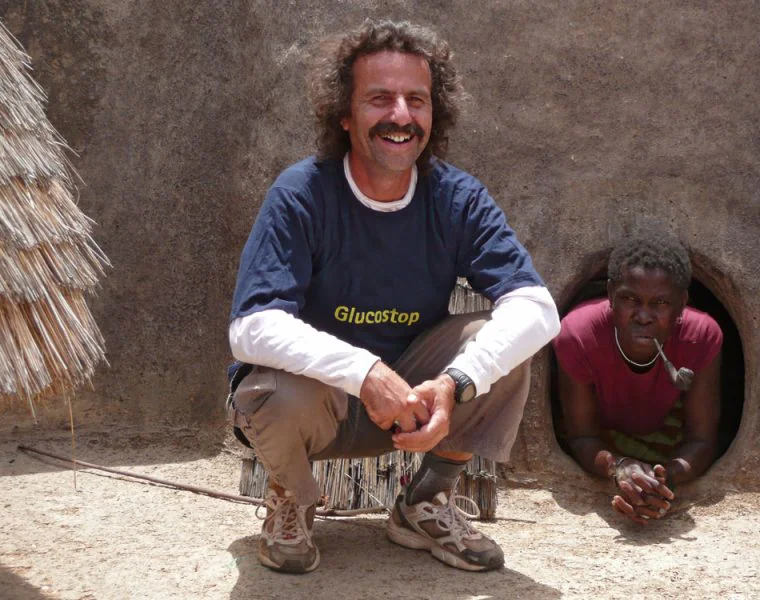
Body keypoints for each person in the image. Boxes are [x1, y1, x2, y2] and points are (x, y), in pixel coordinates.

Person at [228, 19, 560, 573]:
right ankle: (291, 499)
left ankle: (424, 502)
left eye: (416, 100)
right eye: (379, 99)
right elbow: (251, 326)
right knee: (272, 388)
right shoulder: (302, 193)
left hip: (415, 406)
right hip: (320, 404)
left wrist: (455, 383)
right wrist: (365, 373)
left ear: (436, 113)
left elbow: (537, 308)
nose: (401, 116)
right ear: (344, 114)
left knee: (504, 346)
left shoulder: (456, 198)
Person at [552, 231, 723, 526]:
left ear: (682, 303)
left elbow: (702, 441)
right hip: (603, 442)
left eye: (660, 303)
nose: (643, 316)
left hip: (667, 438)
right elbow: (581, 437)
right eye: (630, 299)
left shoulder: (702, 337)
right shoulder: (578, 335)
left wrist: (663, 479)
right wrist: (619, 467)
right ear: (609, 294)